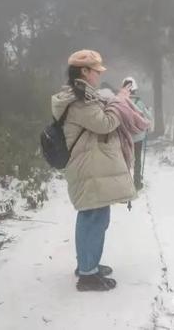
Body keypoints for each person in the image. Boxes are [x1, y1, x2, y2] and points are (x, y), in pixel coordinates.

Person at [51, 49, 140, 292]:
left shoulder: (82, 96)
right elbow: (106, 123)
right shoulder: (79, 100)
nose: (98, 76)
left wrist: (116, 97)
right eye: (96, 71)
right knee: (93, 217)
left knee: (95, 216)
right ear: (84, 72)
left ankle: (88, 265)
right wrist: (119, 101)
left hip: (91, 165)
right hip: (88, 167)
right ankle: (88, 275)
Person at [122, 76, 152, 191]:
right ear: (135, 89)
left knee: (125, 161)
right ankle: (137, 183)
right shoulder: (139, 103)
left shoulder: (120, 102)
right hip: (138, 137)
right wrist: (148, 111)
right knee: (137, 160)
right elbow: (148, 118)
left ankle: (125, 185)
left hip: (124, 137)